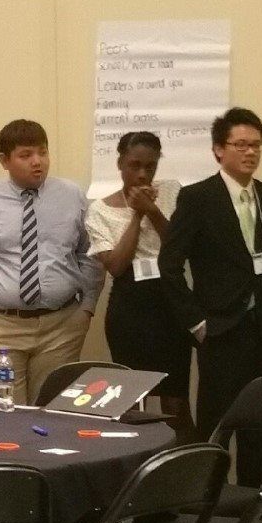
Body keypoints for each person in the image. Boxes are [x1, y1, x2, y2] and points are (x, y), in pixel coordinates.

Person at [159, 107, 262, 487]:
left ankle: (255, 511)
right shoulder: (197, 198)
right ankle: (213, 509)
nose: (250, 153)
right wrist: (196, 322)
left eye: (256, 145)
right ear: (218, 150)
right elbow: (169, 264)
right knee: (219, 425)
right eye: (240, 144)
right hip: (221, 331)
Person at [0, 120, 103, 403]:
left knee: (53, 411)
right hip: (0, 327)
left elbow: (89, 254)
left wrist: (87, 308)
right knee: (5, 416)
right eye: (26, 155)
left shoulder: (72, 196)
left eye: (43, 153)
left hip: (61, 326)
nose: (37, 162)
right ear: (5, 161)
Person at [85, 130, 193, 436]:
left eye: (151, 166)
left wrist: (153, 211)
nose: (143, 174)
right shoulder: (100, 210)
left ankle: (186, 472)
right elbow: (117, 266)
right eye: (135, 165)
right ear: (120, 163)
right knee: (133, 402)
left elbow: (179, 247)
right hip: (130, 308)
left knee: (176, 403)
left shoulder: (172, 192)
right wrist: (136, 215)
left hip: (171, 305)